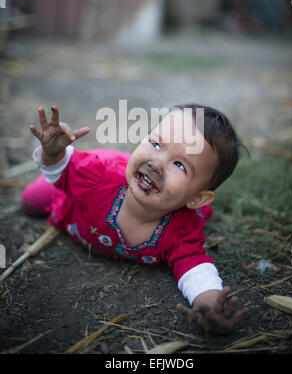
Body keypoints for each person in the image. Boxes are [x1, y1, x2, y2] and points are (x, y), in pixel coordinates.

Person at [22, 103, 249, 335]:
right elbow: (63, 168)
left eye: (179, 165)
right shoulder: (96, 179)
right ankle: (113, 156)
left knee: (200, 216)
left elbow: (196, 269)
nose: (157, 164)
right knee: (30, 201)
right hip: (84, 190)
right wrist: (53, 154)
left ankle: (136, 162)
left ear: (197, 198)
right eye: (156, 144)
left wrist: (209, 307)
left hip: (141, 180)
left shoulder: (182, 230)